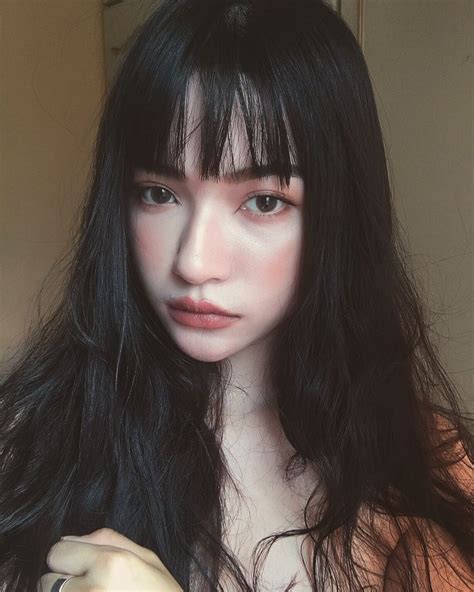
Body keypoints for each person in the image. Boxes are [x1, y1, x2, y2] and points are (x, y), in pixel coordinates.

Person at [0, 0, 472, 590]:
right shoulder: (28, 442)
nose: (194, 262)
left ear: (340, 216)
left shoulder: (428, 464)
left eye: (264, 202)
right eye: (159, 193)